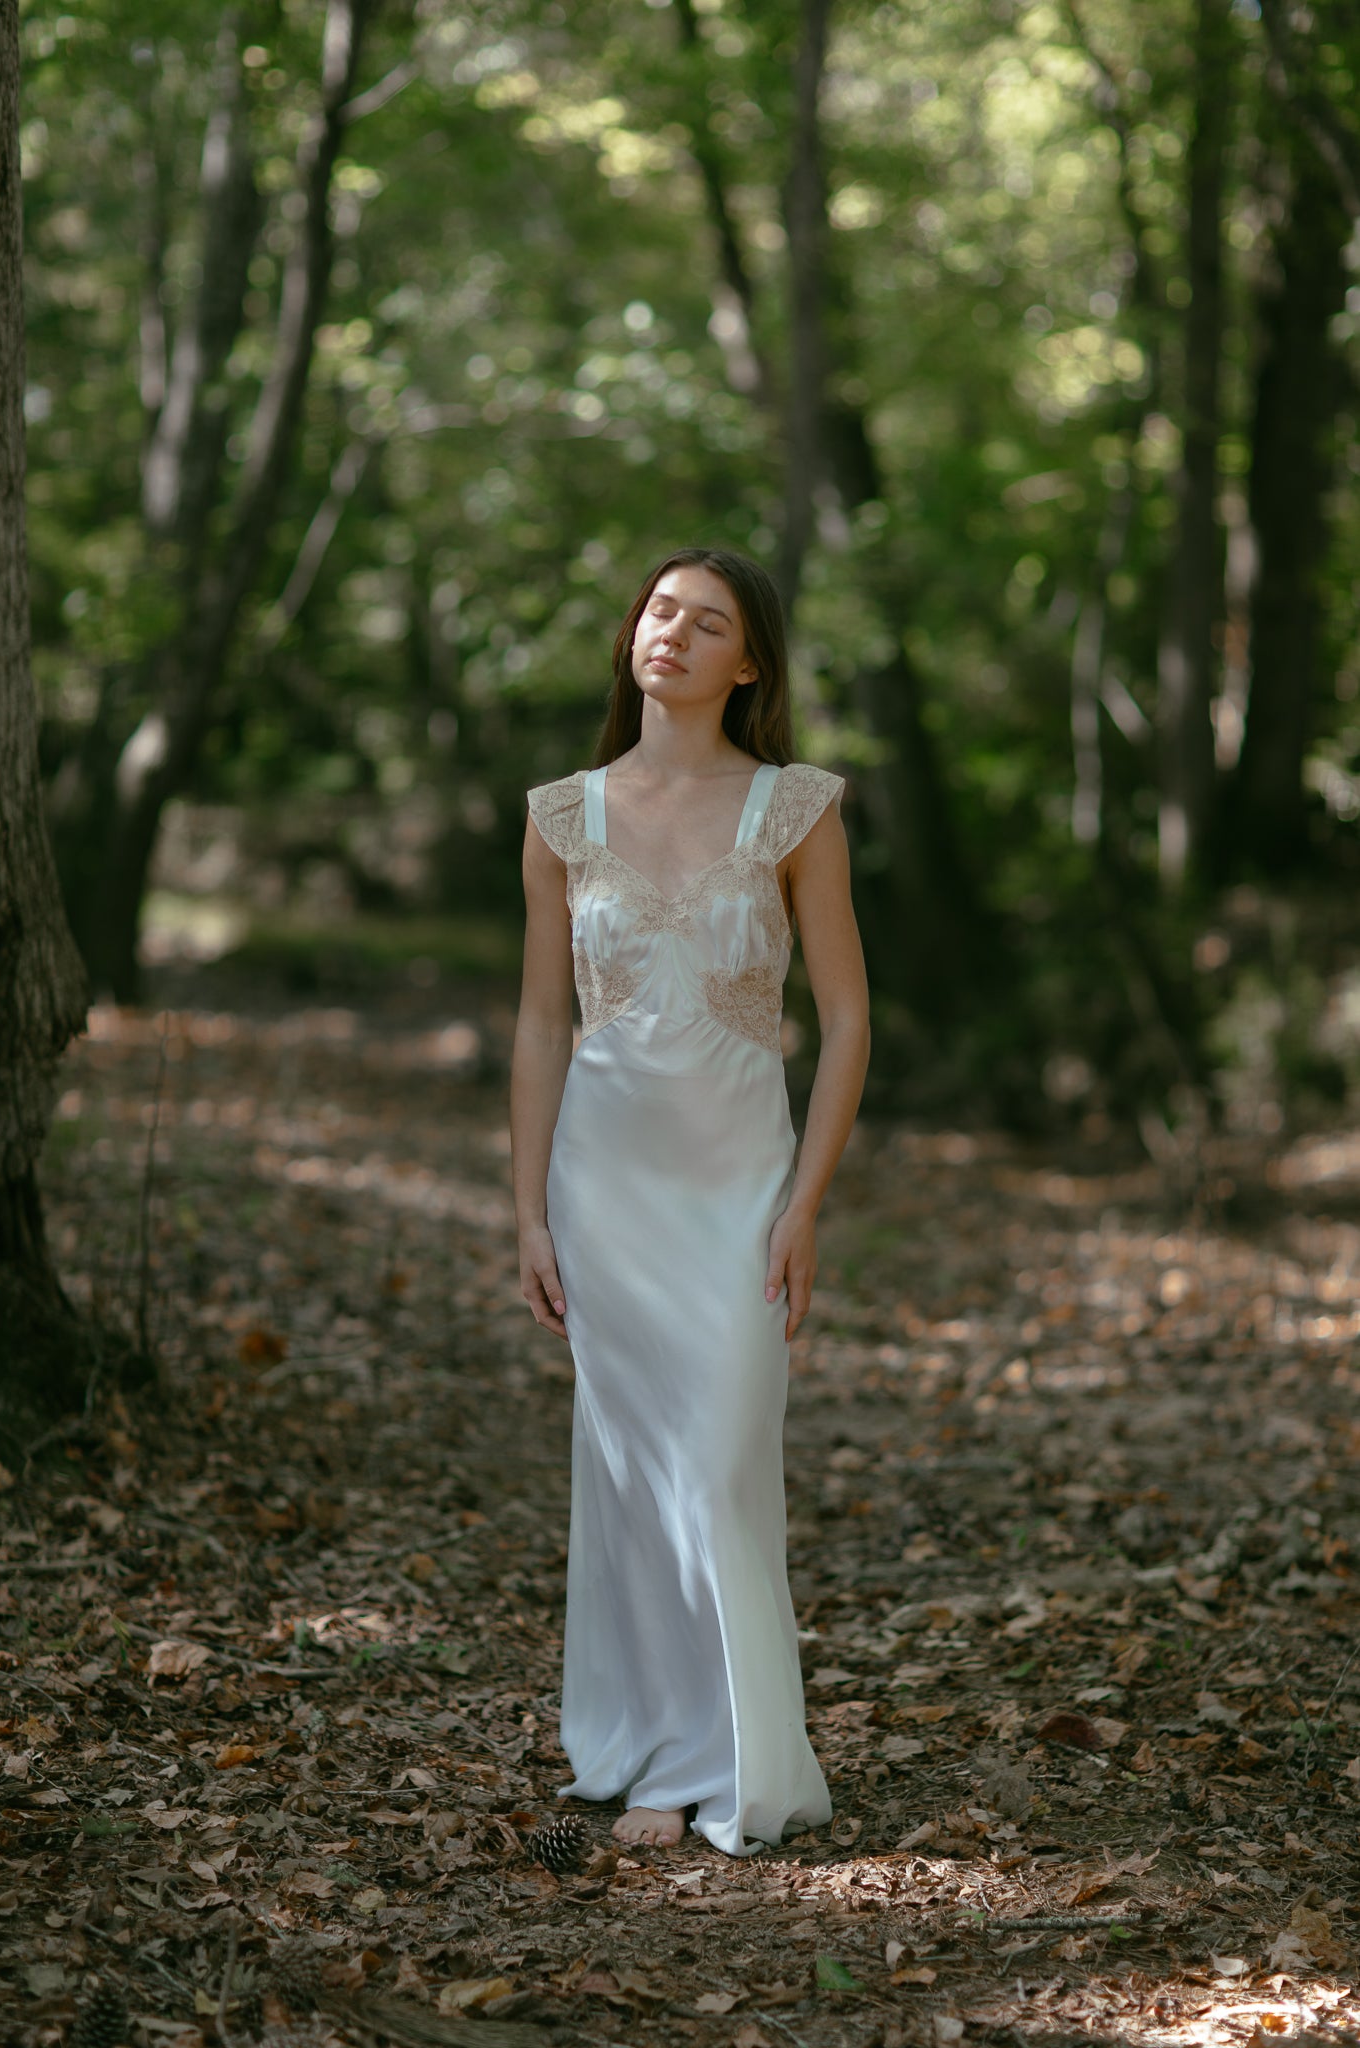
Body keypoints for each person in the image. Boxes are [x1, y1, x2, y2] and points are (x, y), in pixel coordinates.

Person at [510, 545, 870, 1857]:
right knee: (629, 1482)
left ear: (748, 662)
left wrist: (804, 1201)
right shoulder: (563, 814)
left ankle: (739, 1757)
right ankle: (657, 1757)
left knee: (718, 1463)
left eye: (705, 620)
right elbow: (542, 1023)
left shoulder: (795, 809)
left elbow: (845, 1020)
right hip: (601, 1188)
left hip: (738, 1189)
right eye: (658, 608)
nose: (669, 630)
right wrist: (529, 1212)